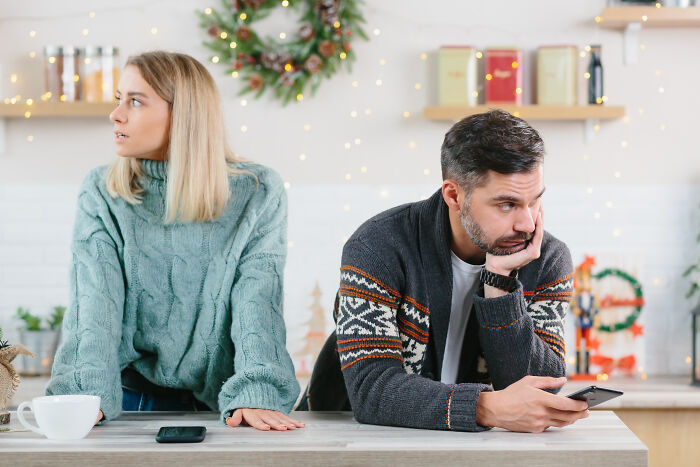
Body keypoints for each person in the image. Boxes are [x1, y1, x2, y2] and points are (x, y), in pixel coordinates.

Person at [46, 51, 303, 432]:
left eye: (135, 101)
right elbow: (95, 302)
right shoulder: (102, 191)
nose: (116, 114)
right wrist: (85, 394)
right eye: (119, 98)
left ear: (183, 113)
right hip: (124, 398)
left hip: (226, 403)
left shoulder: (258, 191)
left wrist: (258, 391)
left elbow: (258, 303)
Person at [300, 109, 589, 433]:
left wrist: (499, 286)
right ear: (454, 195)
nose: (528, 223)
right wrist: (484, 407)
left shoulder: (547, 259)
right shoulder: (378, 247)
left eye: (535, 200)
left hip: (471, 450)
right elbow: (371, 390)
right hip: (357, 443)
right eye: (506, 204)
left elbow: (541, 391)